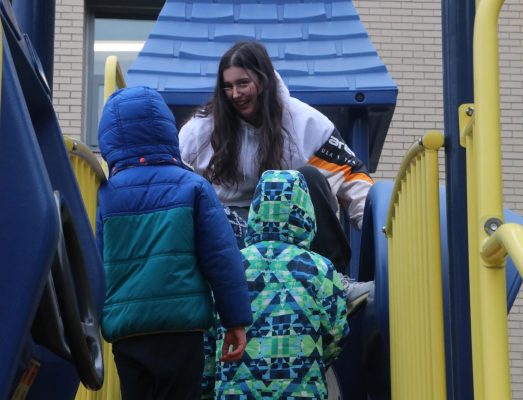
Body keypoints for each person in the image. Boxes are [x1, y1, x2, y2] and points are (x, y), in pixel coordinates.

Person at [179, 40, 373, 302]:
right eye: (228, 86)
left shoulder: (304, 123)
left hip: (291, 224)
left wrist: (383, 230)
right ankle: (218, 294)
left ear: (264, 80)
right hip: (233, 229)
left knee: (310, 177)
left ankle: (333, 282)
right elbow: (178, 184)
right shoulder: (200, 131)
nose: (235, 94)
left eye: (243, 83)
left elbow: (351, 177)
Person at [96, 86, 253, 400]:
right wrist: (235, 319)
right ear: (167, 130)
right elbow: (222, 258)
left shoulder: (106, 194)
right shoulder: (193, 186)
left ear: (110, 138)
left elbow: (97, 262)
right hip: (182, 328)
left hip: (128, 329)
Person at [210, 170, 351, 399]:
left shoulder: (230, 266)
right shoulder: (320, 269)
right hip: (301, 390)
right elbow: (336, 332)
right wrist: (311, 362)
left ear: (256, 209)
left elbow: (210, 334)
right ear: (305, 211)